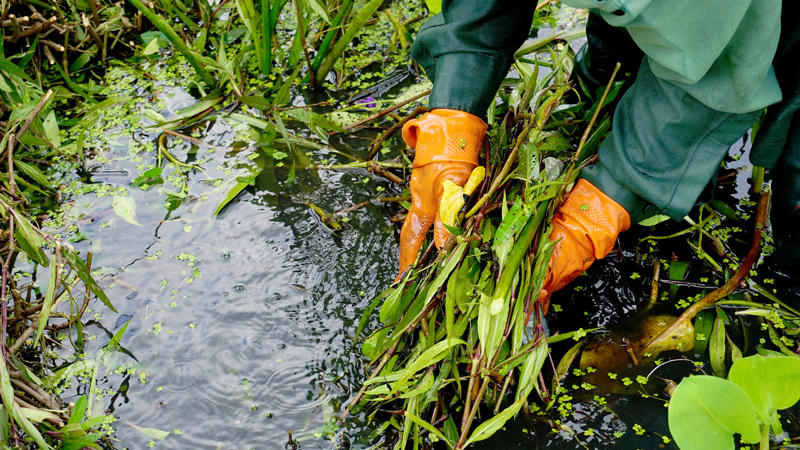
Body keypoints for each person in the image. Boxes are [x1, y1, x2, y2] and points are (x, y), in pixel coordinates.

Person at [397, 0, 800, 302]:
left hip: (735, 18)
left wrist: (608, 199)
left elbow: (718, 69)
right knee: (611, 71)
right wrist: (455, 115)